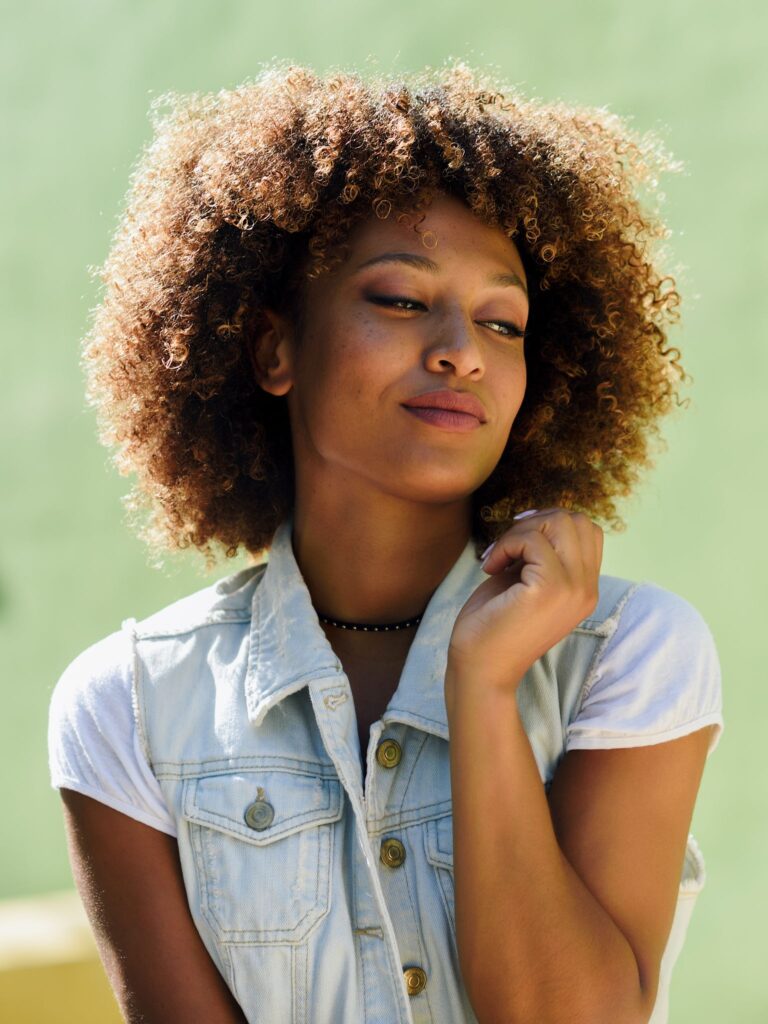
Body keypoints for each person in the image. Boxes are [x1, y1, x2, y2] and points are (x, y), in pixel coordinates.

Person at [48, 61, 723, 1024]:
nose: (463, 350)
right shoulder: (128, 708)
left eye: (504, 321)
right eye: (402, 300)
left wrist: (484, 688)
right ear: (274, 350)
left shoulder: (632, 654)